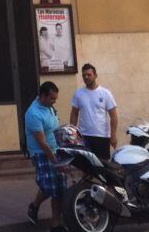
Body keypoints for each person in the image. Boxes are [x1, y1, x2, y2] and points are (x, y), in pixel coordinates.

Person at [25, 81, 65, 230]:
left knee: (59, 188)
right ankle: (34, 206)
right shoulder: (33, 114)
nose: (54, 102)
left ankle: (56, 224)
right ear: (42, 96)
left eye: (55, 99)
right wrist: (56, 163)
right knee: (49, 187)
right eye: (52, 99)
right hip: (42, 153)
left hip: (55, 149)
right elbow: (42, 143)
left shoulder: (49, 107)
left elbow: (55, 127)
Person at [70, 63, 118, 160]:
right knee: (86, 165)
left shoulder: (105, 93)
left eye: (89, 74)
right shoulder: (79, 94)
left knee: (102, 166)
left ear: (95, 75)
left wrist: (113, 135)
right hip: (84, 136)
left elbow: (114, 117)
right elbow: (74, 114)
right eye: (84, 75)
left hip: (102, 136)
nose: (86, 77)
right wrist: (73, 132)